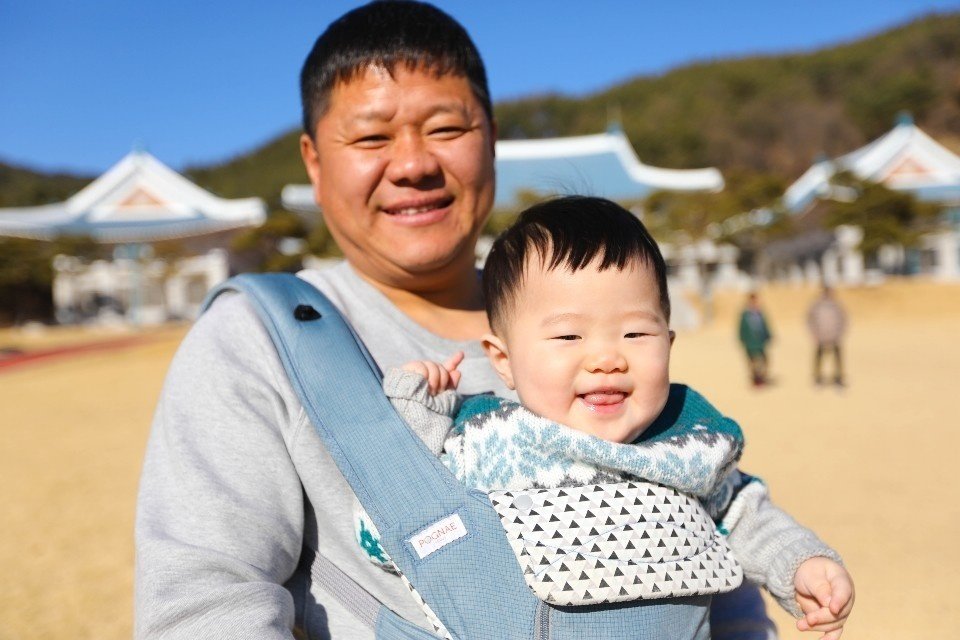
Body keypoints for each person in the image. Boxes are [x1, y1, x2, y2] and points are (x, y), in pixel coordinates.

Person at [134, 2, 784, 638]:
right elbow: (205, 597)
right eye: (370, 137)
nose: (414, 165)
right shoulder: (260, 339)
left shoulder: (585, 320)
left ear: (492, 139)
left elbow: (704, 546)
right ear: (313, 160)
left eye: (446, 129)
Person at [368, 197, 854, 640]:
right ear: (502, 359)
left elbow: (744, 514)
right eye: (568, 338)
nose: (606, 358)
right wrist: (417, 426)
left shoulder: (684, 441)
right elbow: (382, 539)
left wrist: (800, 564)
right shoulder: (483, 441)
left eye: (636, 333)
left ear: (668, 341)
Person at [807, 286, 847, 387]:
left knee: (837, 358)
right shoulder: (816, 305)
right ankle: (818, 377)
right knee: (819, 358)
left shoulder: (837, 305)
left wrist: (840, 333)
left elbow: (843, 320)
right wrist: (814, 333)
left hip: (834, 337)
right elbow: (809, 320)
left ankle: (838, 378)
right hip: (821, 336)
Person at [738, 292, 773, 387]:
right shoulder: (745, 314)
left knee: (764, 361)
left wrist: (769, 336)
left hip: (760, 342)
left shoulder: (760, 313)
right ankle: (756, 380)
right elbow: (741, 328)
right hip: (750, 342)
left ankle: (761, 378)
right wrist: (742, 339)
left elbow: (765, 326)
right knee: (753, 362)